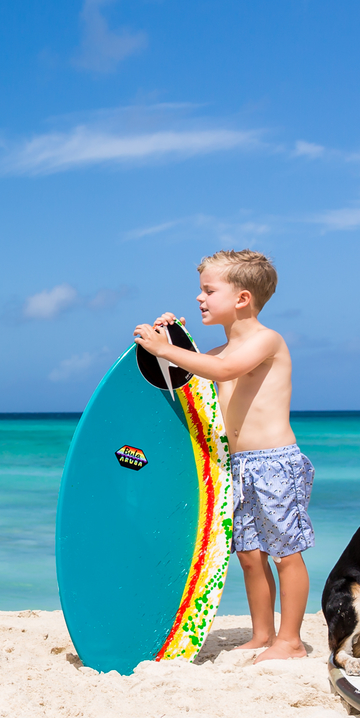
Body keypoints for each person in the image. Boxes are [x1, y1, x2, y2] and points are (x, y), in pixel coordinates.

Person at [135, 249, 312, 663]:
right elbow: (189, 368)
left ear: (242, 299)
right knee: (250, 555)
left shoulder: (266, 341)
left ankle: (291, 641)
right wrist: (172, 336)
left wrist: (168, 350)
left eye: (208, 290)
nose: (200, 298)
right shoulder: (219, 351)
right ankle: (262, 633)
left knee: (286, 553)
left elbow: (225, 371)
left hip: (275, 463)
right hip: (239, 465)